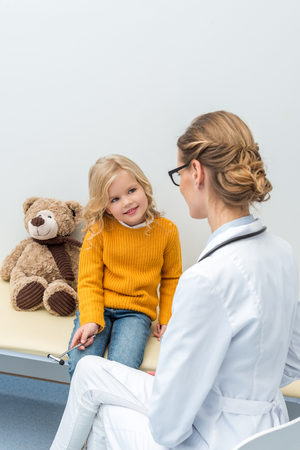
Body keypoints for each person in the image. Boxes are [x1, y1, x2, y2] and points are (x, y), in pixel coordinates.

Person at [51, 111, 299, 450]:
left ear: (195, 172)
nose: (179, 183)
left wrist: (179, 386)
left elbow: (168, 428)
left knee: (106, 411)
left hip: (211, 435)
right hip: (268, 428)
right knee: (90, 371)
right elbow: (292, 363)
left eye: (178, 172)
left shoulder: (205, 280)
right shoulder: (283, 253)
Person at [68, 154, 182, 379]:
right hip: (98, 307)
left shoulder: (167, 231)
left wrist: (167, 318)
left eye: (131, 191)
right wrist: (91, 319)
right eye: (115, 199)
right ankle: (86, 414)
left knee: (122, 371)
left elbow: (172, 279)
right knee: (81, 366)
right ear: (106, 207)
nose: (127, 202)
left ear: (144, 186)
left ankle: (109, 415)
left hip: (136, 313)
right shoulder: (98, 230)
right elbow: (88, 280)